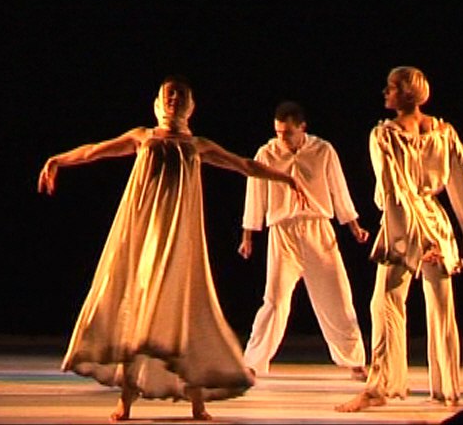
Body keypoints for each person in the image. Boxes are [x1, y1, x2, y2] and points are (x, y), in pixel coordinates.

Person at [37, 76, 307, 422]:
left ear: (190, 105)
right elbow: (95, 150)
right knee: (139, 311)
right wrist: (58, 160)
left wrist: (286, 178)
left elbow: (244, 165)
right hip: (145, 237)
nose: (174, 98)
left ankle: (197, 401)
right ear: (158, 100)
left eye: (180, 94)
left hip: (180, 239)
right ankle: (126, 397)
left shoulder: (197, 145)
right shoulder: (143, 137)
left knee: (184, 311)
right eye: (169, 93)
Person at [337, 66, 463, 412]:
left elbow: (393, 189)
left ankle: (380, 386)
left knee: (386, 301)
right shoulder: (443, 132)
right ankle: (447, 389)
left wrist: (419, 237)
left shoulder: (385, 135)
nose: (385, 92)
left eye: (391, 87)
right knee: (440, 306)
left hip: (406, 223)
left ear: (406, 93)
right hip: (436, 221)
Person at [238, 100, 369, 380]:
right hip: (283, 233)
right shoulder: (266, 153)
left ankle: (355, 360)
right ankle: (252, 363)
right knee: (274, 300)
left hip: (318, 230)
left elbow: (339, 189)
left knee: (336, 296)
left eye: (287, 133)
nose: (282, 138)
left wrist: (354, 226)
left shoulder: (323, 150)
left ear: (302, 128)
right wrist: (248, 236)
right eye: (278, 132)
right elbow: (255, 195)